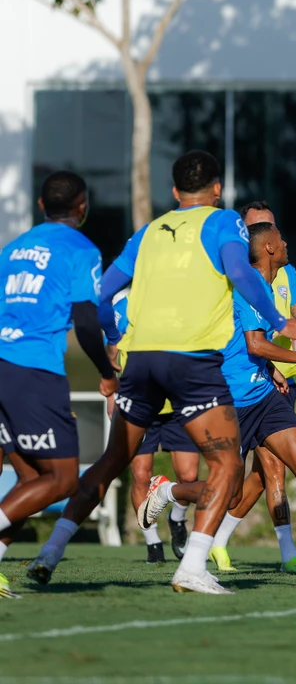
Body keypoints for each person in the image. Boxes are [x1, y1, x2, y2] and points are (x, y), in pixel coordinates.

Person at [26, 150, 296, 595]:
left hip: (141, 359)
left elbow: (104, 295)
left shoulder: (146, 232)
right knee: (226, 465)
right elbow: (241, 271)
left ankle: (49, 553)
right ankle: (193, 565)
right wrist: (281, 323)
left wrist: (112, 342)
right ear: (217, 190)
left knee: (110, 463)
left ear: (175, 192)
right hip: (190, 360)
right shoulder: (223, 224)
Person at [139, 222, 296, 579]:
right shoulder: (248, 287)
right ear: (269, 248)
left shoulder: (269, 287)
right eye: (280, 239)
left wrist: (271, 368)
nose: (285, 243)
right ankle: (168, 491)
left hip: (263, 396)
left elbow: (249, 346)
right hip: (231, 401)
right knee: (231, 492)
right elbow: (254, 343)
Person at [0, 172, 117, 599]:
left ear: (39, 204)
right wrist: (106, 371)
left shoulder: (11, 250)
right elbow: (86, 320)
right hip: (33, 369)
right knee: (65, 478)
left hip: (3, 366)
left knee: (30, 477)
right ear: (82, 205)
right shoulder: (80, 248)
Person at [203, 201, 296, 572]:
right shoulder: (240, 279)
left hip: (276, 381)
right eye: (253, 229)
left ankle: (285, 552)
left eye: (268, 227)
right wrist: (291, 356)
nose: (271, 237)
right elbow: (248, 339)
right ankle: (205, 530)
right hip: (244, 385)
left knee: (270, 473)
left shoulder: (286, 272)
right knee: (242, 476)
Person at [107, 296, 199, 563]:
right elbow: (111, 350)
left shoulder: (179, 302)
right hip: (139, 404)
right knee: (140, 474)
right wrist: (111, 393)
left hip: (178, 402)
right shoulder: (123, 306)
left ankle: (177, 518)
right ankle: (153, 543)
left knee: (189, 475)